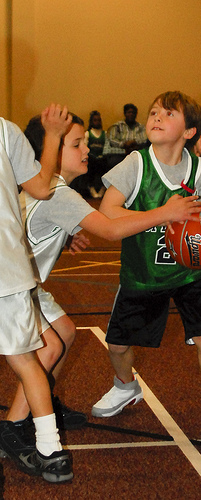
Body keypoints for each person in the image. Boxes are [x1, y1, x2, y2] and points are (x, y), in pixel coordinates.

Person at [4, 113, 201, 444]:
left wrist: (63, 237)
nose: (87, 150)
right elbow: (110, 230)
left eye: (85, 142)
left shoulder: (49, 189)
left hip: (23, 283)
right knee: (50, 347)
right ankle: (14, 426)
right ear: (50, 150)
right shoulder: (58, 194)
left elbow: (28, 227)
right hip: (12, 287)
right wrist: (165, 213)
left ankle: (41, 401)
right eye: (77, 144)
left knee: (66, 331)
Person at [91, 90, 201, 452]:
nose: (156, 117)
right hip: (143, 272)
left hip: (188, 272)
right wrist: (163, 214)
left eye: (168, 114)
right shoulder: (135, 164)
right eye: (154, 111)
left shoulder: (200, 170)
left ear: (189, 131)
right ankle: (126, 386)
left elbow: (199, 220)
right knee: (117, 345)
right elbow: (107, 213)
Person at [0, 104, 74, 483]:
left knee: (35, 356)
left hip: (8, 269)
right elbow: (42, 187)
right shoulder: (5, 131)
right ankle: (50, 449)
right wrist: (54, 136)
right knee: (27, 360)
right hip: (7, 268)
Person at [104, 103, 148, 169]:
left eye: (133, 113)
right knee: (113, 161)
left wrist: (134, 142)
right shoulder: (117, 126)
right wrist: (124, 144)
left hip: (136, 152)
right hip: (121, 153)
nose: (131, 114)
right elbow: (112, 140)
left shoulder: (141, 127)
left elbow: (144, 138)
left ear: (136, 114)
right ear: (125, 114)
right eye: (129, 112)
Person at [85, 110, 108, 198]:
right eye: (95, 120)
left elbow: (107, 148)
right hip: (91, 157)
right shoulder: (88, 134)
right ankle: (92, 189)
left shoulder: (105, 134)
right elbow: (85, 147)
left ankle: (102, 189)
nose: (97, 122)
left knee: (105, 165)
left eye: (99, 120)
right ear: (91, 122)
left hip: (102, 158)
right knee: (90, 166)